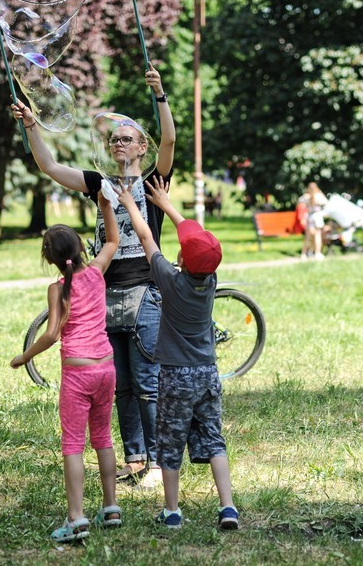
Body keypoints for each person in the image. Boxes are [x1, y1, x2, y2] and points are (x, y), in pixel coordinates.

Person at [11, 63, 175, 488]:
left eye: (128, 139)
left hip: (145, 291)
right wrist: (32, 125)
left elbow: (171, 138)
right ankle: (135, 458)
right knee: (120, 385)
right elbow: (49, 165)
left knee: (147, 382)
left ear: (142, 148)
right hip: (106, 291)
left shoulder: (155, 181)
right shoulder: (98, 183)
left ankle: (157, 462)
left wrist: (160, 95)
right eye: (114, 139)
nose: (119, 143)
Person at [116, 176, 239, 530]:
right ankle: (227, 507)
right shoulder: (210, 281)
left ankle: (172, 511)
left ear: (182, 258)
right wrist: (167, 204)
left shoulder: (169, 279)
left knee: (169, 443)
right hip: (207, 372)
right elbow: (195, 237)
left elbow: (145, 238)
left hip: (174, 374)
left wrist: (129, 204)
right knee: (214, 439)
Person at [10, 194, 121, 543]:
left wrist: (23, 357)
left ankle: (76, 517)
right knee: (102, 437)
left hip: (78, 373)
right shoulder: (97, 271)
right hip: (106, 368)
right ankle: (111, 507)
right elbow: (114, 240)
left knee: (73, 443)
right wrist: (105, 205)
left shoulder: (57, 289)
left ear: (49, 258)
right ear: (80, 248)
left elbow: (52, 334)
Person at [298, 181, 328, 260]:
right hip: (314, 216)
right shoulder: (314, 196)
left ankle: (309, 253)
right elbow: (325, 201)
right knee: (313, 236)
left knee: (312, 236)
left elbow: (300, 200)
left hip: (313, 216)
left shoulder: (308, 197)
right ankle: (312, 253)